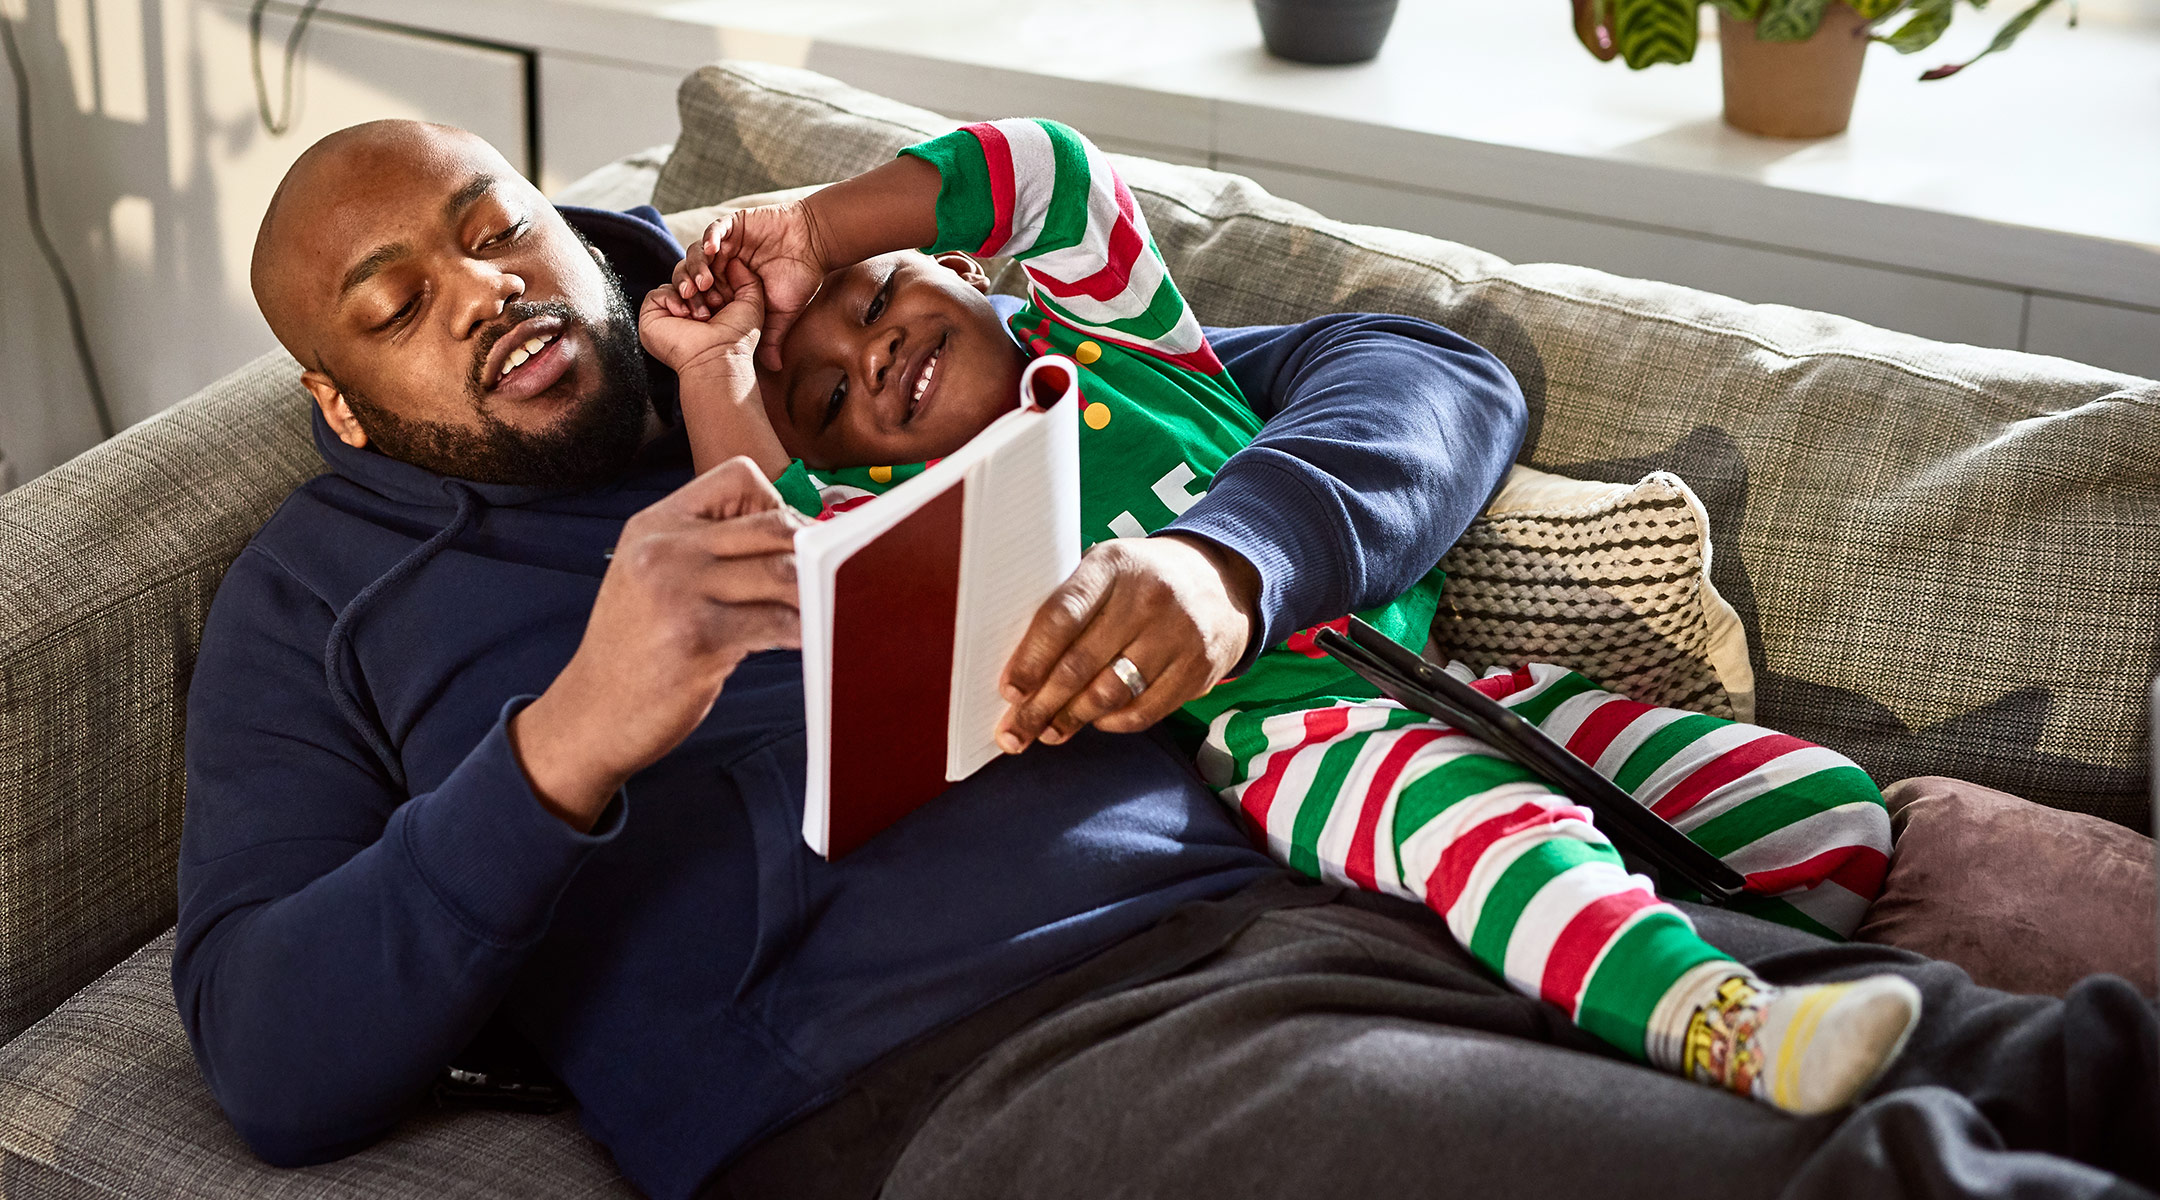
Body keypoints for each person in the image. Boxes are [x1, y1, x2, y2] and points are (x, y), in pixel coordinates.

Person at [177, 117, 2157, 1200]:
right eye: (401, 307)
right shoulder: (320, 608)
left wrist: (1233, 560)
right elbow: (270, 1054)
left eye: (489, 228)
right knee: (1885, 1180)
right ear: (343, 405)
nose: (490, 298)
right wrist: (565, 750)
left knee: (2075, 1066)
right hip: (1002, 1064)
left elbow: (1419, 374)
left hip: (1415, 857)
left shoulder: (827, 321)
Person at [646, 117, 1912, 1114]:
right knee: (1494, 832)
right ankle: (1710, 1017)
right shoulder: (918, 526)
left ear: (970, 270)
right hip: (1294, 754)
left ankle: (1648, 994)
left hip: (1460, 683)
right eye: (822, 396)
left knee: (1832, 811)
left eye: (877, 303)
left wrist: (810, 232)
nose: (866, 358)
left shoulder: (1127, 343)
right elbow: (760, 539)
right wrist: (714, 365)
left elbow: (1046, 173)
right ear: (848, 464)